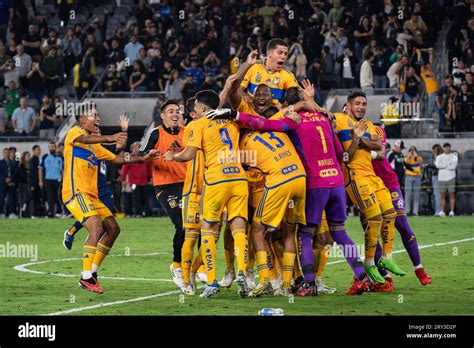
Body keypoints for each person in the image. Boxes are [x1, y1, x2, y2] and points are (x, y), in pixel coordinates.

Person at [62, 105, 158, 293]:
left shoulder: (95, 146)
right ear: (82, 120)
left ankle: (93, 272)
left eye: (97, 115)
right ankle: (86, 277)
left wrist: (144, 158)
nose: (97, 118)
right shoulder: (75, 132)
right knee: (96, 227)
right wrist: (109, 137)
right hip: (76, 193)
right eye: (93, 115)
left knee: (113, 229)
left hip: (93, 196)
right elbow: (85, 138)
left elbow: (118, 158)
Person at [164, 90, 250, 299]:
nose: (193, 111)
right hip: (239, 179)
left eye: (195, 107)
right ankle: (242, 272)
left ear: (202, 108)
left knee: (208, 232)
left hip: (216, 181)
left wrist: (172, 156)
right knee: (239, 229)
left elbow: (189, 154)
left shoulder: (197, 125)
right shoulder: (231, 122)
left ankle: (211, 282)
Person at [334, 91, 405, 285]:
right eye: (357, 103)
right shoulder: (339, 120)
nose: (361, 107)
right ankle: (369, 262)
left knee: (390, 214)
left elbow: (379, 147)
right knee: (375, 218)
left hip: (372, 176)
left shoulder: (369, 126)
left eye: (364, 104)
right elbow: (345, 156)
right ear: (348, 105)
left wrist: (359, 138)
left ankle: (387, 258)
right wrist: (356, 140)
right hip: (355, 178)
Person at [370, 126, 431, 286]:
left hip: (389, 184)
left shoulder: (375, 129)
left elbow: (381, 152)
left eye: (362, 103)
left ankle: (419, 268)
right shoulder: (342, 134)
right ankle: (386, 278)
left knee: (402, 224)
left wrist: (358, 149)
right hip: (367, 187)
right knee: (371, 232)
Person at [139, 100, 187, 287]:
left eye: (177, 111)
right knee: (182, 224)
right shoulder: (156, 133)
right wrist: (148, 155)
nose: (175, 114)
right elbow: (142, 154)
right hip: (166, 187)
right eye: (171, 111)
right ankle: (176, 266)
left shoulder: (187, 132)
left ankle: (196, 268)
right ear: (163, 115)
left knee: (197, 225)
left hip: (188, 185)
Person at [63, 115, 129, 250]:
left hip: (102, 188)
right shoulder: (83, 142)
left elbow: (121, 146)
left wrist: (124, 130)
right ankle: (72, 232)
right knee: (93, 219)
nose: (97, 131)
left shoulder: (100, 147)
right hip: (86, 186)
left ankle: (95, 253)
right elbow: (84, 139)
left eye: (99, 131)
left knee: (108, 220)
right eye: (95, 131)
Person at [240, 38, 299, 103]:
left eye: (285, 54)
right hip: (251, 110)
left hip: (273, 112)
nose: (283, 57)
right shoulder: (253, 66)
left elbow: (297, 97)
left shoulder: (288, 75)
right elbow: (238, 89)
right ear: (269, 54)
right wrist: (246, 97)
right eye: (280, 53)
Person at [120, 142, 152, 217]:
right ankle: (138, 213)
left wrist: (151, 178)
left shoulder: (145, 157)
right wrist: (123, 179)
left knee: (144, 198)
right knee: (136, 198)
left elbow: (150, 168)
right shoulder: (129, 157)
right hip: (134, 182)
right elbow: (124, 169)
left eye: (140, 147)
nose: (139, 148)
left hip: (144, 182)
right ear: (133, 149)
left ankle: (145, 212)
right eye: (138, 147)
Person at [39, 142, 64, 218]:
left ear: (55, 147)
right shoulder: (44, 157)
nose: (52, 148)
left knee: (57, 196)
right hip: (48, 179)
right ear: (48, 148)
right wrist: (40, 181)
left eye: (53, 146)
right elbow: (40, 169)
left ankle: (59, 211)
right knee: (50, 196)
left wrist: (64, 181)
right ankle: (50, 212)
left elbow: (63, 170)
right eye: (50, 146)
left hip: (57, 179)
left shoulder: (60, 158)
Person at [435, 143, 458, 217]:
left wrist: (444, 165)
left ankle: (452, 211)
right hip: (442, 178)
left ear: (450, 148)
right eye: (445, 148)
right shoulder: (439, 157)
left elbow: (453, 166)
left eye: (448, 147)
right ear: (443, 148)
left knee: (452, 194)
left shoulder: (454, 155)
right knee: (442, 195)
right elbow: (438, 165)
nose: (446, 149)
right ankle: (442, 211)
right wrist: (447, 164)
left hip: (451, 177)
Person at [404, 146, 423, 216]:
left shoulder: (419, 158)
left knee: (416, 195)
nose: (412, 151)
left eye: (413, 150)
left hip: (417, 177)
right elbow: (405, 164)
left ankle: (415, 212)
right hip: (409, 177)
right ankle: (407, 211)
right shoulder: (406, 158)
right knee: (408, 195)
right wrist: (408, 156)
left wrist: (416, 156)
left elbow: (421, 165)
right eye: (411, 150)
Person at [29, 145, 42, 218]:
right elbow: (32, 173)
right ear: (33, 151)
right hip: (34, 183)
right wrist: (32, 185)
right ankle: (33, 213)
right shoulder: (33, 160)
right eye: (38, 150)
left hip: (37, 182)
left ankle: (36, 213)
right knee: (33, 198)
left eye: (40, 150)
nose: (39, 151)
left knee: (37, 198)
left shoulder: (37, 159)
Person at [430, 144, 443, 216]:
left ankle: (439, 211)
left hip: (439, 176)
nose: (433, 151)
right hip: (434, 176)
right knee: (436, 194)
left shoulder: (441, 156)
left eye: (434, 150)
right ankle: (437, 210)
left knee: (438, 194)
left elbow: (438, 166)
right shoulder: (434, 156)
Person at [18, 151, 31, 218]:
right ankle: (22, 211)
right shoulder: (21, 165)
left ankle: (25, 210)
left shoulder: (30, 165)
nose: (29, 157)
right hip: (23, 184)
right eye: (27, 156)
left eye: (29, 155)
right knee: (24, 198)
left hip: (28, 184)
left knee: (28, 198)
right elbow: (21, 175)